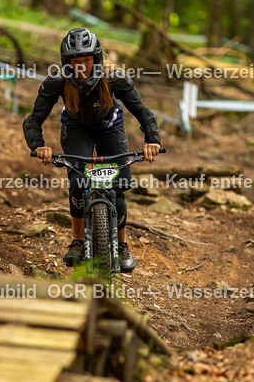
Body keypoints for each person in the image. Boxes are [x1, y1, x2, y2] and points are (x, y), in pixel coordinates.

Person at [23, 27, 161, 273]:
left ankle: (122, 245)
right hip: (76, 129)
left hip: (111, 128)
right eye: (76, 61)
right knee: (78, 182)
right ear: (67, 62)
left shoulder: (114, 77)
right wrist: (39, 146)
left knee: (118, 188)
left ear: (96, 58)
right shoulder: (57, 81)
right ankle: (77, 241)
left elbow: (141, 110)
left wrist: (152, 140)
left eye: (87, 60)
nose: (82, 66)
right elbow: (33, 119)